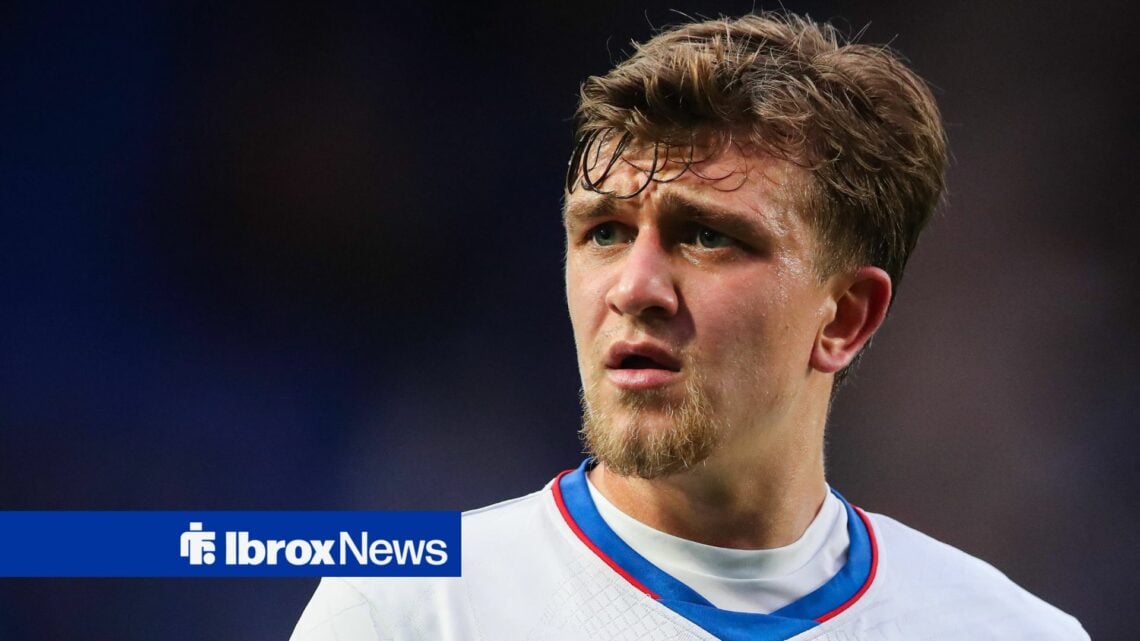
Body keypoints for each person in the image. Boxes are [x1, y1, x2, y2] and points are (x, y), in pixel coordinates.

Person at [291, 12, 1087, 640]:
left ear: (844, 317)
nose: (635, 288)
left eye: (707, 236)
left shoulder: (1008, 631)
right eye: (603, 231)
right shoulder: (407, 615)